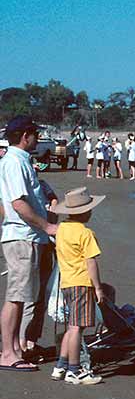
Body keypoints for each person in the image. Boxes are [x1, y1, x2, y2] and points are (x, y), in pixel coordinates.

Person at [0, 116, 59, 372]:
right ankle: (7, 353)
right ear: (26, 135)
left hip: (28, 236)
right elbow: (18, 204)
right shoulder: (13, 162)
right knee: (16, 297)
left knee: (24, 296)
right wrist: (47, 226)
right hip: (22, 237)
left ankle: (15, 348)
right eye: (35, 134)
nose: (37, 139)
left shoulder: (19, 161)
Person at [52, 187, 107, 385]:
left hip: (66, 282)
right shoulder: (86, 233)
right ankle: (74, 370)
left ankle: (61, 365)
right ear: (84, 212)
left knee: (72, 326)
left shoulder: (62, 229)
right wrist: (98, 288)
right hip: (81, 283)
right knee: (77, 328)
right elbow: (91, 262)